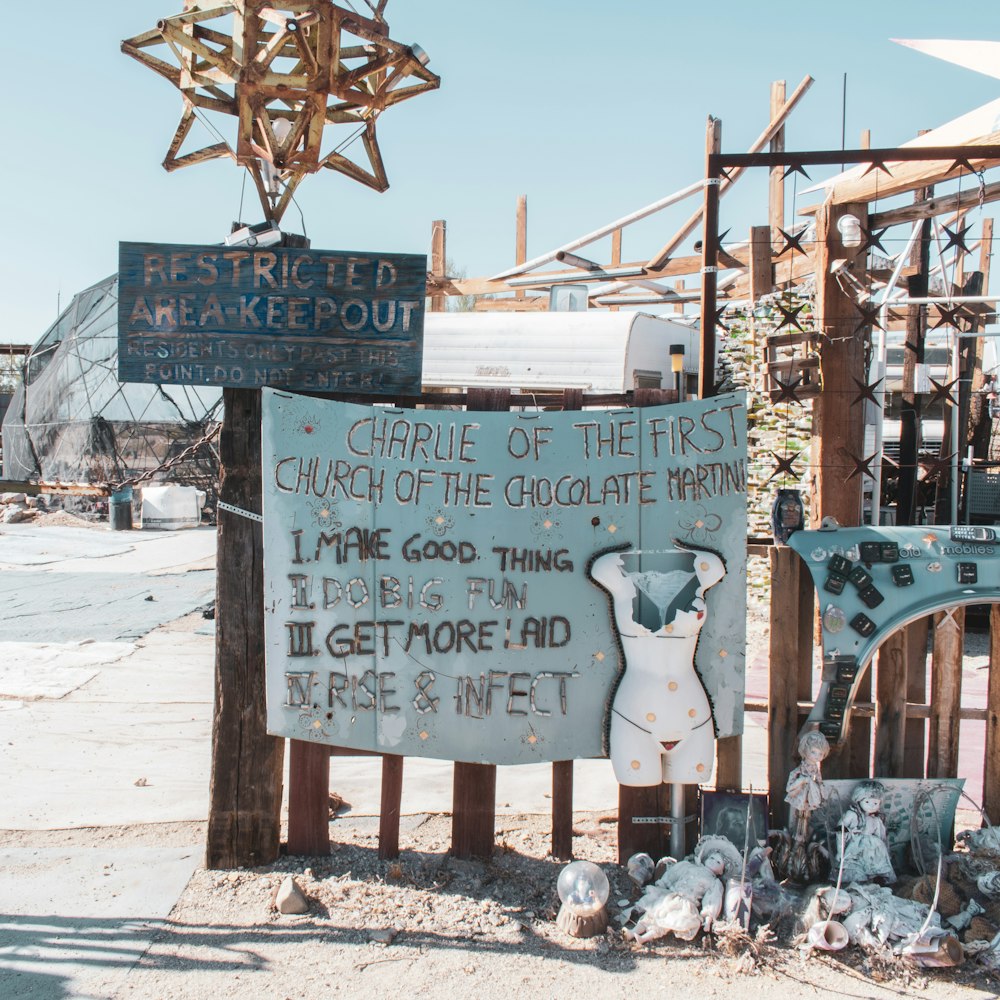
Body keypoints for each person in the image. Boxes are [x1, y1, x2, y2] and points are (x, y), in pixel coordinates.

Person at [835, 779, 895, 885]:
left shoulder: (876, 820)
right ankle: (857, 880)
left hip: (875, 848)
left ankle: (876, 879)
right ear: (858, 800)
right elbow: (841, 830)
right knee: (855, 865)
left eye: (875, 803)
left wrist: (887, 851)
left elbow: (882, 837)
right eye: (867, 802)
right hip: (856, 846)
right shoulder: (852, 815)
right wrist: (840, 851)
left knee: (876, 865)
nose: (872, 806)